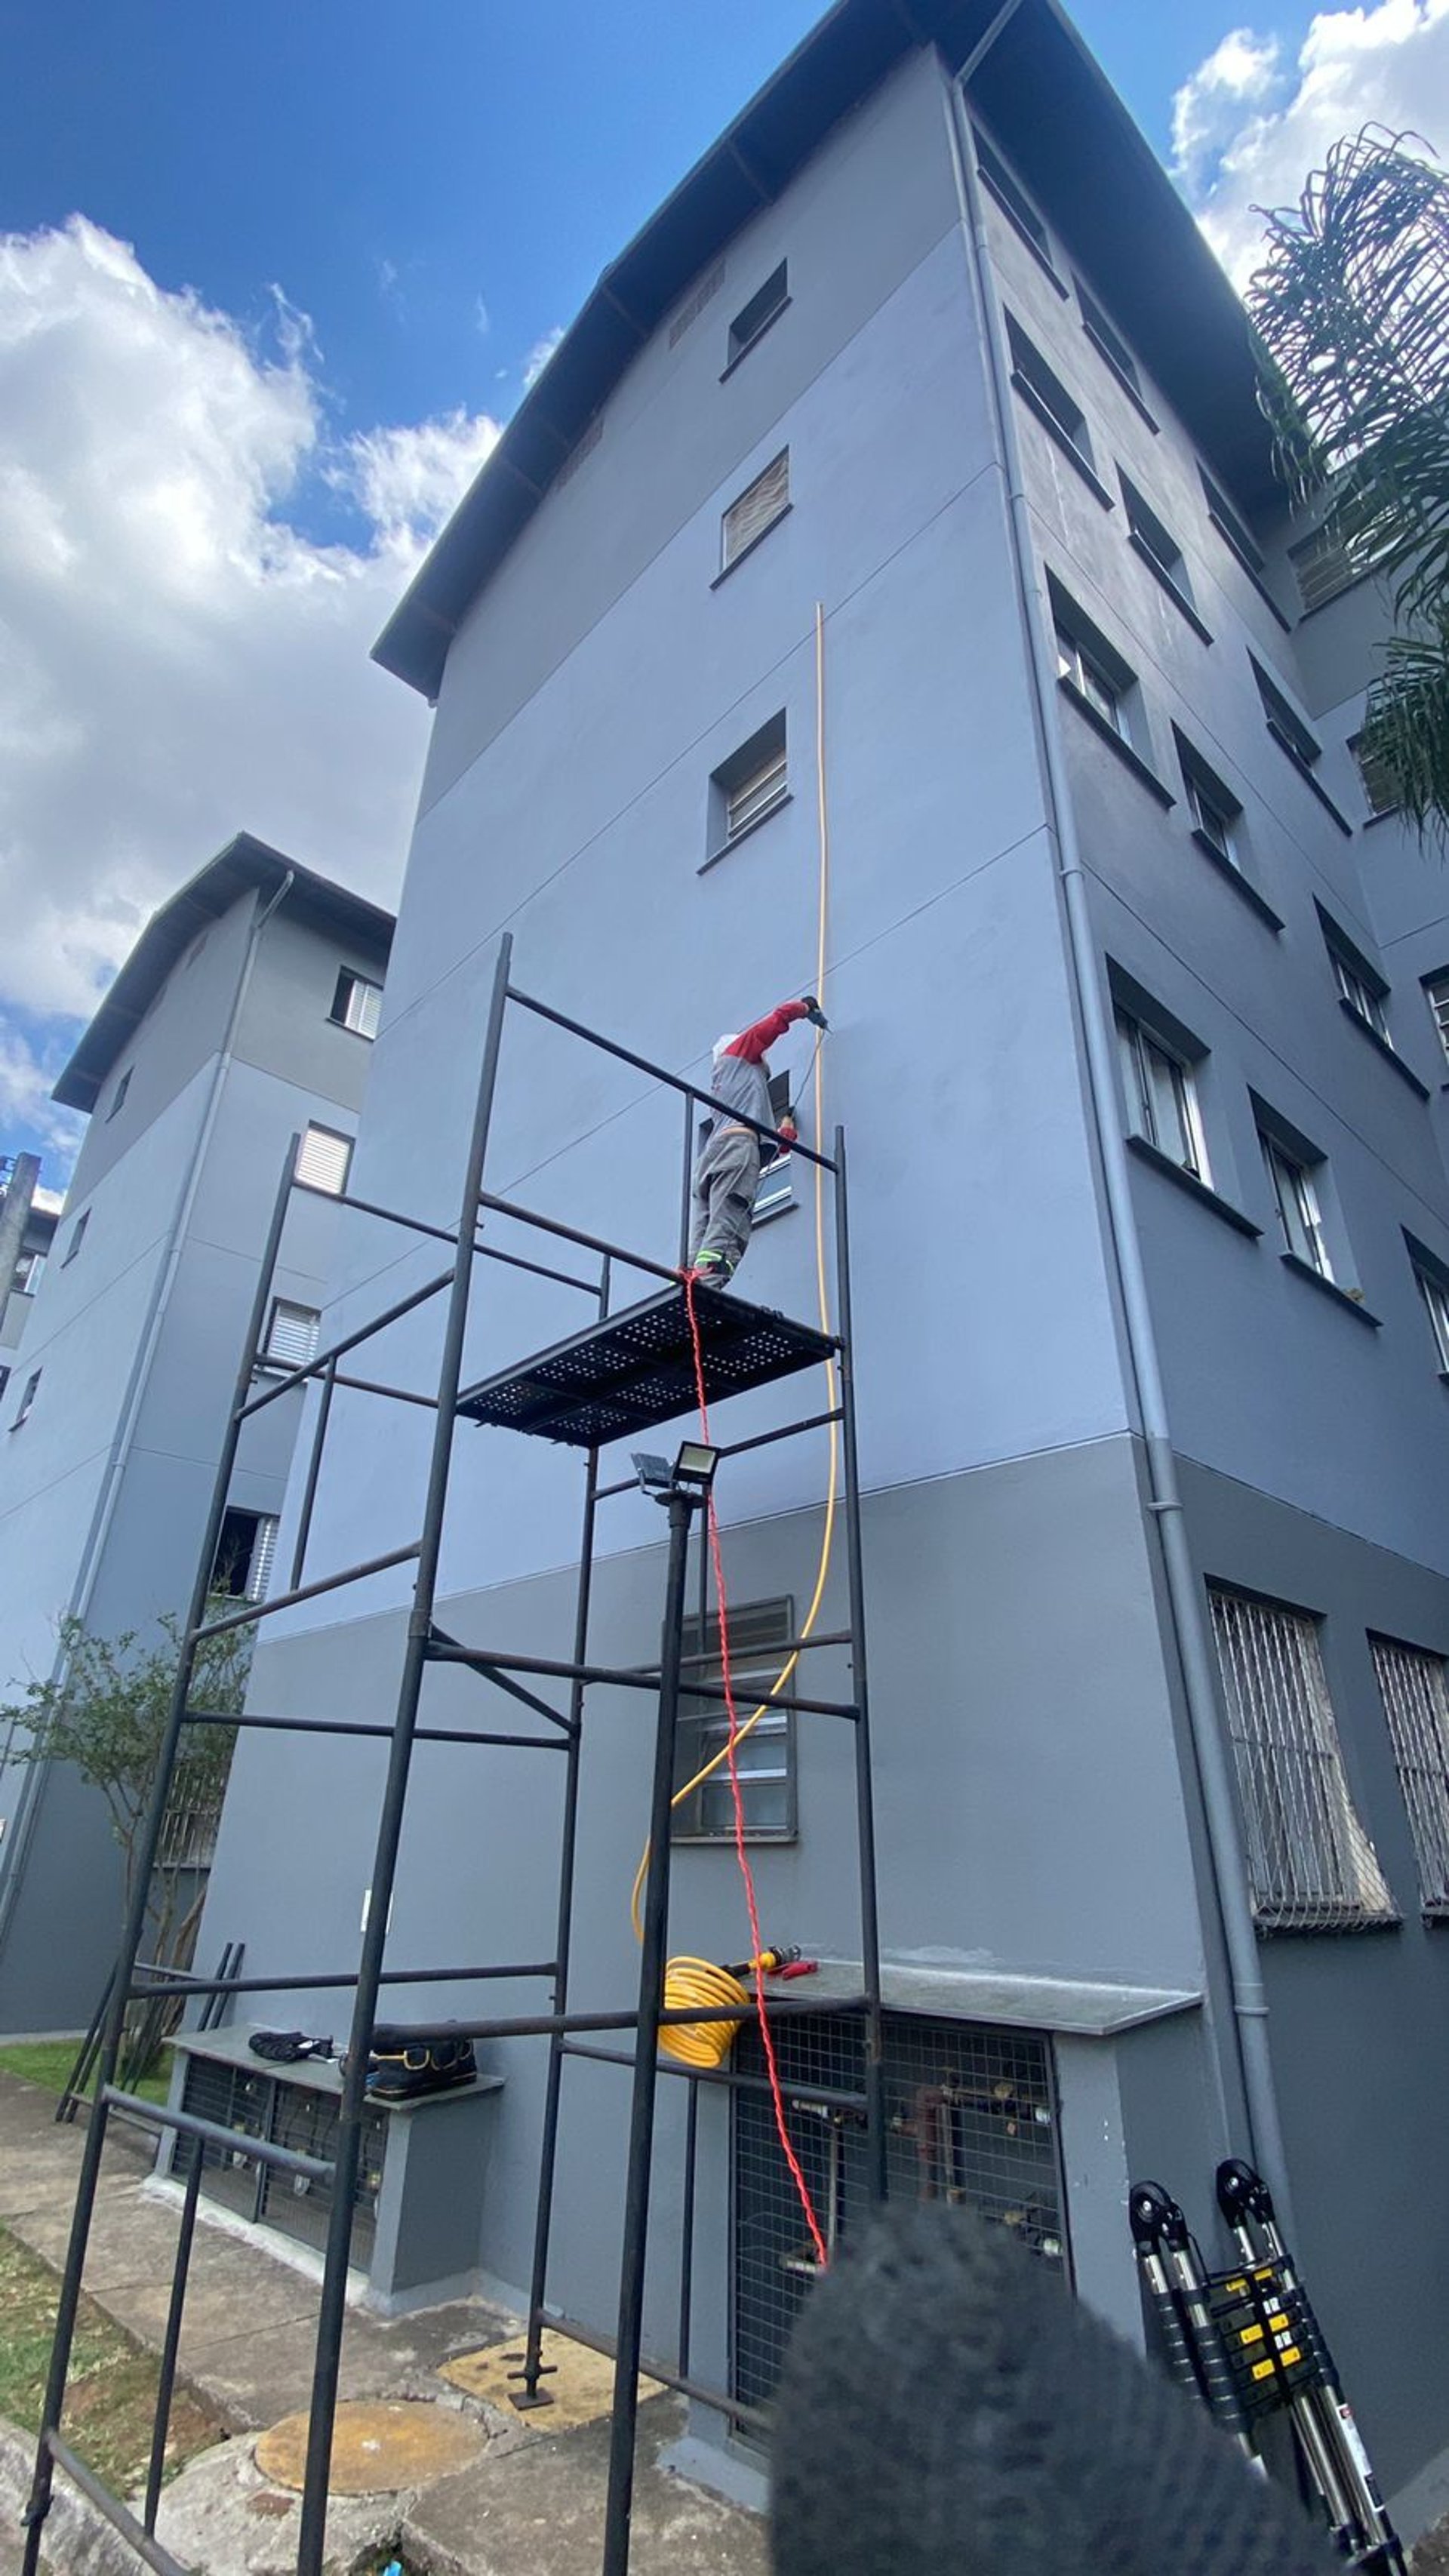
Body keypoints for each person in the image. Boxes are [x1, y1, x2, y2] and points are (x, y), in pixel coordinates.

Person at [686, 996, 827, 1291]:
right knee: (729, 1221)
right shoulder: (736, 1058)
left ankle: (691, 1281)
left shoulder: (729, 1089)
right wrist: (806, 1008)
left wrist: (784, 1133)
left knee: (704, 1228)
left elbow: (769, 1149)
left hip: (713, 1158)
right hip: (735, 1149)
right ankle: (708, 1285)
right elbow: (777, 1020)